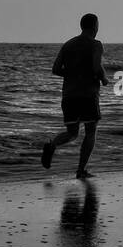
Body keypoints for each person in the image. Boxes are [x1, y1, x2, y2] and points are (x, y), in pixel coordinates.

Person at [42, 13, 108, 178]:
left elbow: (56, 69)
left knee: (72, 133)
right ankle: (81, 170)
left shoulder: (68, 44)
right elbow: (96, 66)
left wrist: (73, 74)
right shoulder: (96, 44)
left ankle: (52, 144)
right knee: (90, 131)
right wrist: (104, 78)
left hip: (69, 95)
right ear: (95, 26)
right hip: (88, 94)